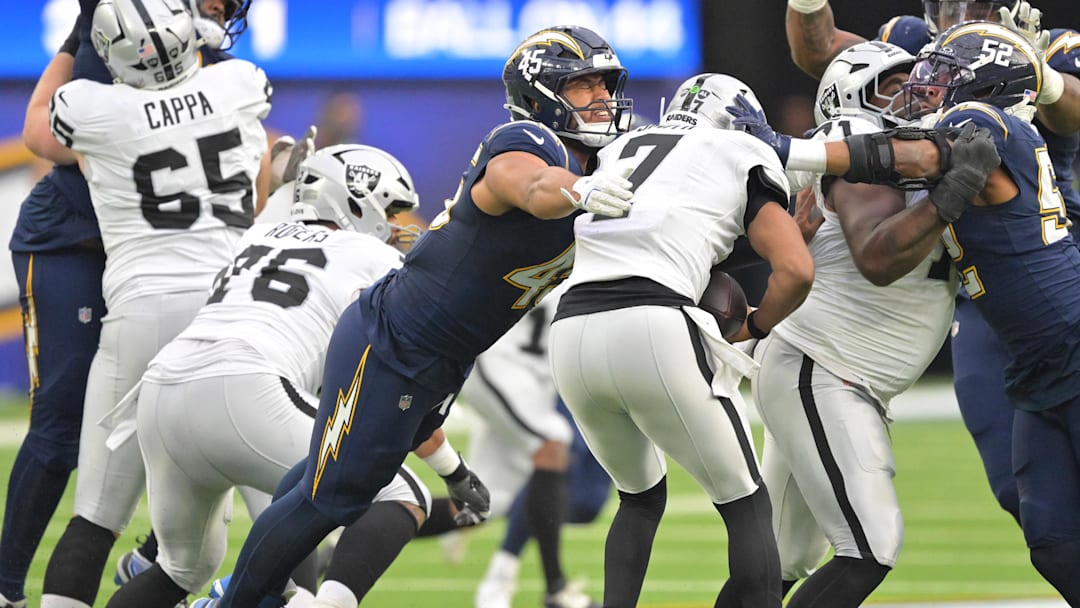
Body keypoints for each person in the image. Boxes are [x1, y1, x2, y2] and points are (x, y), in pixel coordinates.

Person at [200, 25, 635, 608]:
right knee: (330, 498)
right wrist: (582, 191)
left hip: (440, 356)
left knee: (325, 483)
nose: (600, 97)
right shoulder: (525, 141)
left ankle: (240, 594)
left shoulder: (597, 162)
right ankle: (234, 602)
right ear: (541, 95)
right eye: (581, 85)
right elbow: (531, 186)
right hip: (395, 339)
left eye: (603, 84)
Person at [102, 143, 488, 608]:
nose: (400, 228)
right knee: (401, 493)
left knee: (180, 569)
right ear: (352, 202)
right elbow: (397, 392)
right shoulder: (369, 255)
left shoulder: (254, 238)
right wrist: (455, 471)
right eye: (393, 211)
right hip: (246, 384)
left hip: (163, 391)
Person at [784, 0, 1080, 525]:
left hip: (1047, 264)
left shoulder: (1026, 62)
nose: (962, 14)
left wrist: (1041, 75)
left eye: (980, 6)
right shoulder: (925, 48)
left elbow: (921, 153)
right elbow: (823, 54)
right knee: (1030, 500)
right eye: (950, 5)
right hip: (972, 282)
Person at [1, 1, 254, 605]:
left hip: (149, 266)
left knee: (204, 435)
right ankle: (7, 587)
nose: (223, 8)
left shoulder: (206, 64)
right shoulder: (131, 34)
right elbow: (42, 134)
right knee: (61, 426)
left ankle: (161, 562)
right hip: (74, 237)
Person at [548, 73, 815, 608]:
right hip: (652, 323)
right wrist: (753, 328)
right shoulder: (739, 148)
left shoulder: (622, 146)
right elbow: (796, 270)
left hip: (571, 332)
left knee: (638, 499)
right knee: (746, 505)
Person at [747, 41, 967, 606]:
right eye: (893, 84)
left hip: (830, 370)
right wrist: (950, 198)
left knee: (775, 564)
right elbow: (877, 258)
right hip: (823, 367)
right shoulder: (857, 145)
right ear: (852, 98)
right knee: (871, 545)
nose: (913, 93)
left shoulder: (920, 149)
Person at [903, 22, 1080, 602]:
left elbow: (916, 156)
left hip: (1069, 337)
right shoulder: (1007, 133)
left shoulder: (979, 123)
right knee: (1050, 535)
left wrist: (790, 151)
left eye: (946, 75)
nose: (928, 85)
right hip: (1034, 361)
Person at [461, 287, 607, 608]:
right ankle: (552, 586)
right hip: (502, 365)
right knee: (554, 442)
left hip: (535, 380)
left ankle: (367, 532)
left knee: (486, 504)